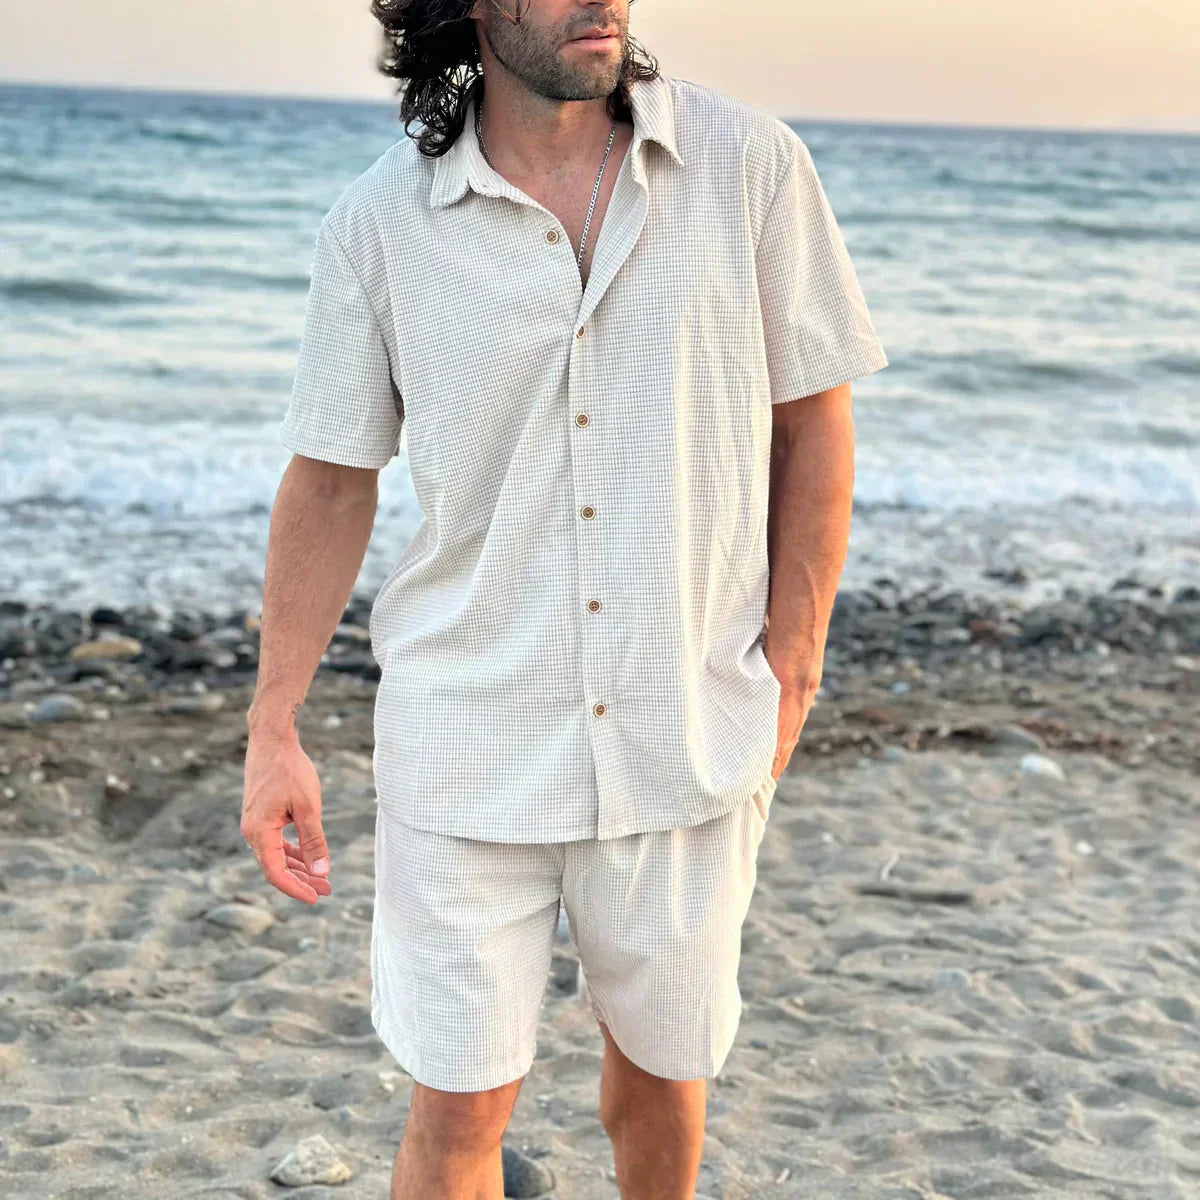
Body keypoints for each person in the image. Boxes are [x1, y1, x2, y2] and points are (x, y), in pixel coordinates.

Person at [243, 0, 888, 1195]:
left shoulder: (751, 168)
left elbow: (814, 421)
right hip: (467, 742)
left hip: (684, 728)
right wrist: (273, 725)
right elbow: (331, 479)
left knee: (661, 1084)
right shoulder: (381, 226)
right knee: (458, 1108)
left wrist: (794, 662)